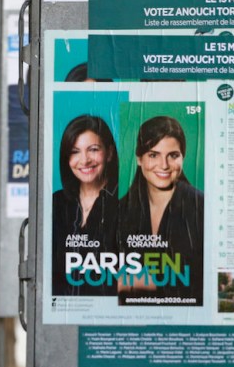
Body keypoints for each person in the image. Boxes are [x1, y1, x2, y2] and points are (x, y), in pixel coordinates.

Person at [118, 115, 204, 305]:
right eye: (153, 155)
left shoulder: (202, 207)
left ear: (183, 157)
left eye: (173, 155)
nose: (164, 165)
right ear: (139, 158)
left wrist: (132, 281)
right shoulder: (119, 211)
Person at [51, 114, 119, 296]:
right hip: (64, 316)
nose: (84, 160)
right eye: (75, 152)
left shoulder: (128, 203)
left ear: (110, 153)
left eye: (93, 149)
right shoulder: (55, 203)